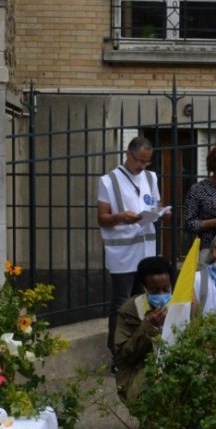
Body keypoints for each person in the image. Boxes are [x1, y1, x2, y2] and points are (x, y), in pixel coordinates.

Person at [97, 137, 166, 363]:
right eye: (140, 161)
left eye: (147, 162)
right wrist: (120, 217)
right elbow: (102, 217)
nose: (143, 166)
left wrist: (162, 212)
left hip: (146, 250)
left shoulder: (150, 177)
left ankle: (140, 349)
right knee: (121, 303)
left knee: (144, 301)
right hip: (123, 253)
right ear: (128, 154)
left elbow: (155, 204)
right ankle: (117, 353)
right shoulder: (108, 181)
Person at [113, 257, 174, 406]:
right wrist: (147, 327)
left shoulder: (181, 305)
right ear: (144, 288)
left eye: (166, 289)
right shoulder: (130, 311)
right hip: (143, 368)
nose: (161, 295)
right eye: (154, 290)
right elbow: (123, 356)